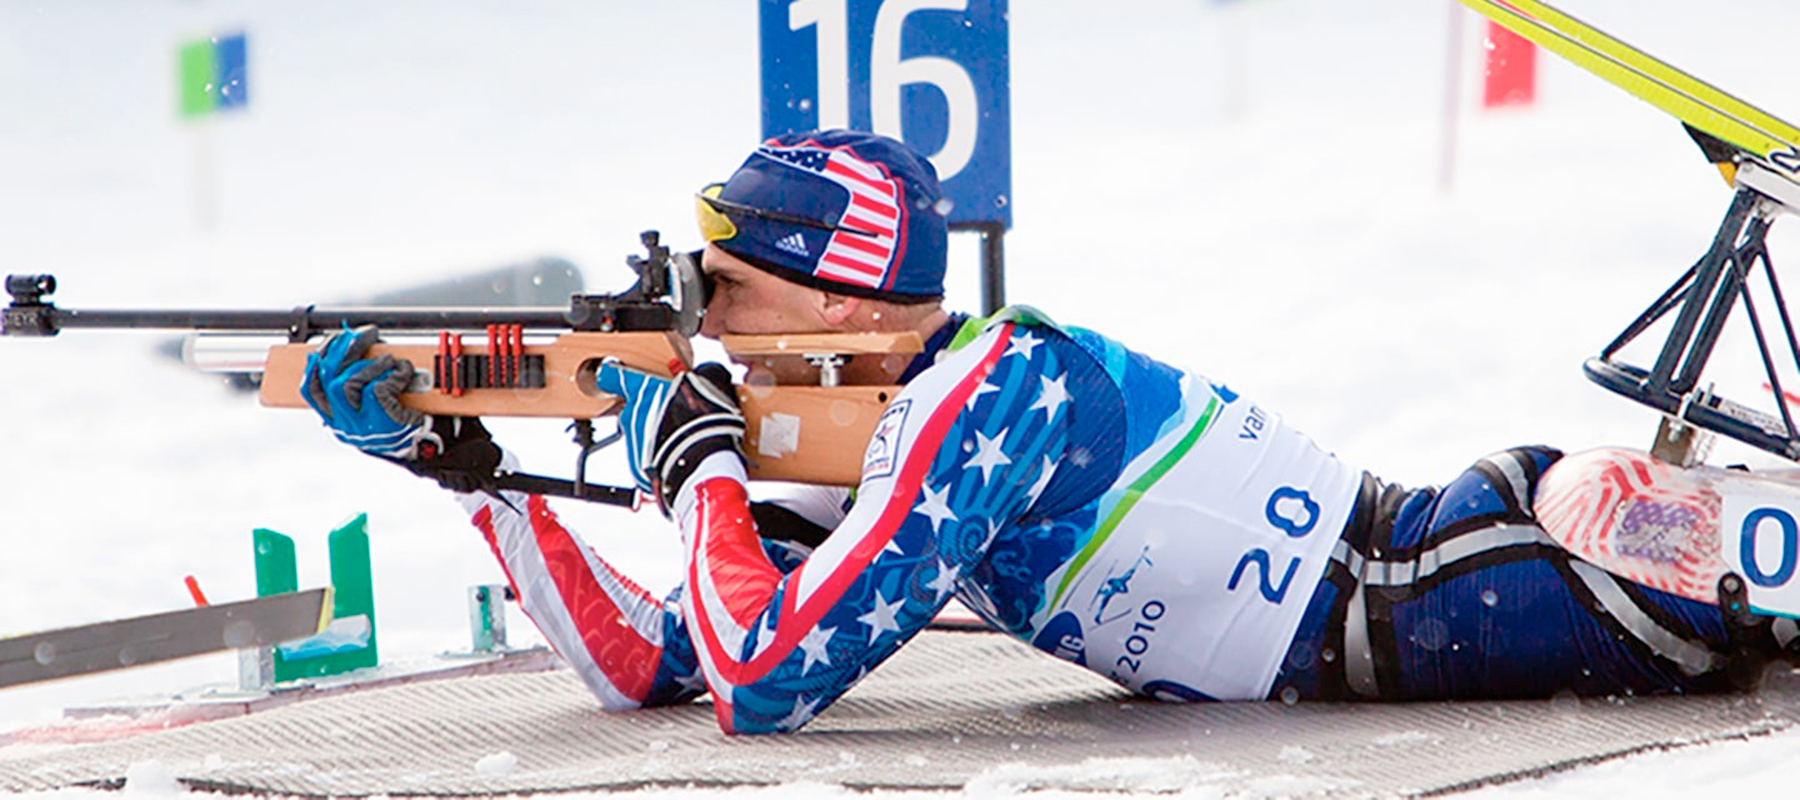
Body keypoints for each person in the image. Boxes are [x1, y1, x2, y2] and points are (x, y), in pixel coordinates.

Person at [300, 129, 1786, 735]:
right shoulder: (881, 434)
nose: (707, 323)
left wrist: (692, 461)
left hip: (1477, 571)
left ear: (835, 306)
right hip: (1450, 588)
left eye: (730, 291)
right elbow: (667, 660)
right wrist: (479, 484)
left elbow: (768, 680)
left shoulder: (988, 397)